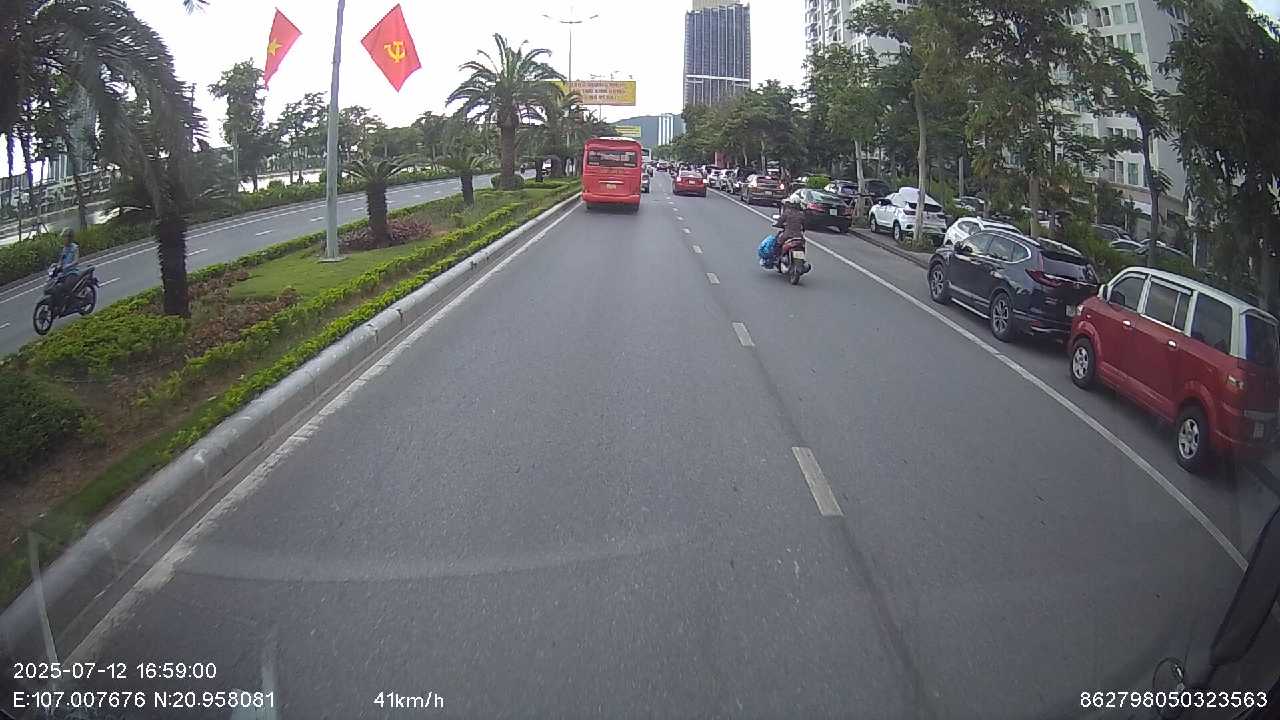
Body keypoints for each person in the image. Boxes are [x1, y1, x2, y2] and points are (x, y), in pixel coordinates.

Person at [759, 199, 806, 268]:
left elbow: (779, 222)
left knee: (777, 244)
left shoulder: (787, 212)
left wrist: (776, 224)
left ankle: (777, 259)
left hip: (787, 235)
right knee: (802, 245)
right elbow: (804, 226)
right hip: (799, 236)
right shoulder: (801, 214)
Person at [51, 228, 81, 308]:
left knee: (66, 286)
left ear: (69, 238)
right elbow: (61, 260)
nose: (63, 239)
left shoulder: (75, 247)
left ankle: (73, 302)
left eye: (65, 237)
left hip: (72, 272)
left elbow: (76, 261)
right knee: (55, 286)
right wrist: (56, 265)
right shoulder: (64, 248)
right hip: (64, 273)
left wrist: (68, 265)